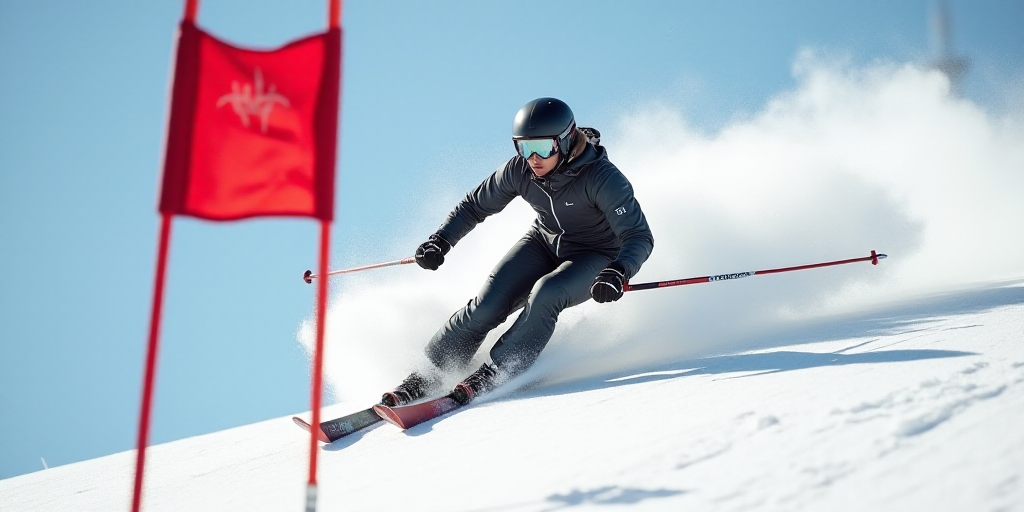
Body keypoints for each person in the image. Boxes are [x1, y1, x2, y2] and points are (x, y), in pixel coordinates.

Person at [382, 97, 654, 407]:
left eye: (543, 148)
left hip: (596, 256)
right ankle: (428, 373)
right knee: (487, 304)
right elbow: (474, 206)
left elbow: (638, 235)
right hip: (543, 242)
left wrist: (618, 271)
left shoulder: (602, 178)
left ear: (565, 142)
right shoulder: (520, 171)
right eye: (524, 148)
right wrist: (440, 240)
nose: (533, 159)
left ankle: (499, 369)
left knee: (547, 293)